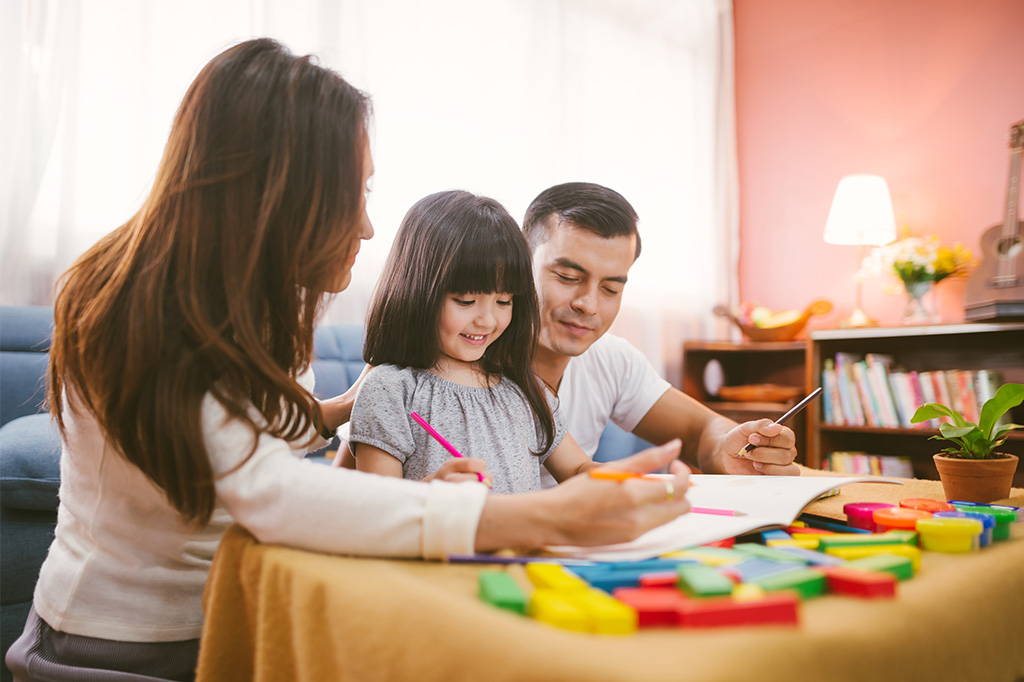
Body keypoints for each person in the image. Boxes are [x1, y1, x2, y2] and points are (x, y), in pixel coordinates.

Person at [5, 40, 690, 682]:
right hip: (121, 650)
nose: (366, 225)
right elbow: (265, 487)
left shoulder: (267, 306)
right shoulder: (138, 306)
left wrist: (336, 411)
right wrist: (548, 517)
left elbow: (242, 430)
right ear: (278, 193)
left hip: (243, 612)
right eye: (355, 193)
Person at [522, 181, 800, 485]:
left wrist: (730, 449)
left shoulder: (612, 360)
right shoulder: (473, 360)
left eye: (610, 289)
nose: (589, 305)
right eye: (568, 277)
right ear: (521, 260)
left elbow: (701, 430)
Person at [350, 190, 601, 493]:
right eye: (466, 300)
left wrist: (623, 479)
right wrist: (431, 493)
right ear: (416, 293)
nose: (487, 321)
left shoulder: (524, 386)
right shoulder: (390, 390)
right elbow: (378, 513)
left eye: (504, 300)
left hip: (522, 541)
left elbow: (577, 469)